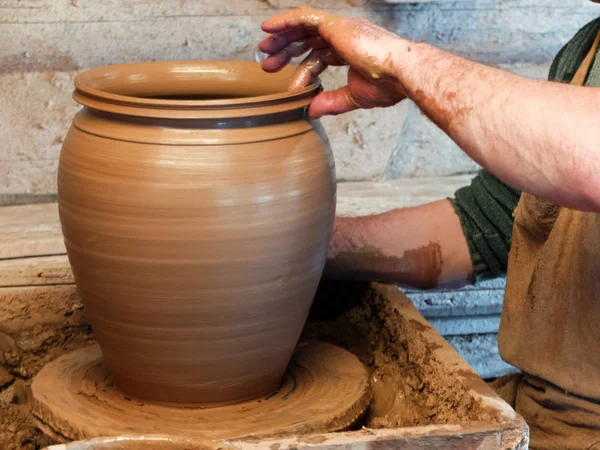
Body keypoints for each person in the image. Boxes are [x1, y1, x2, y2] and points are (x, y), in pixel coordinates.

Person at [259, 5, 600, 450]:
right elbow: (489, 222)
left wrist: (403, 61)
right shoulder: (588, 47)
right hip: (543, 419)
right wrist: (301, 247)